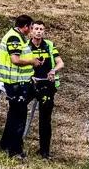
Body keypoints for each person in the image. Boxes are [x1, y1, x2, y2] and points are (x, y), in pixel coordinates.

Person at [0, 15, 41, 158]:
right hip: (15, 83)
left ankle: (5, 143)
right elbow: (15, 60)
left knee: (14, 113)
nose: (32, 30)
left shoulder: (18, 37)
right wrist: (32, 62)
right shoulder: (14, 38)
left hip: (18, 81)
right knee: (20, 115)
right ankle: (15, 150)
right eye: (31, 27)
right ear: (25, 26)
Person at [27, 22, 63, 159]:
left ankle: (44, 151)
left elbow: (60, 62)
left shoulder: (49, 45)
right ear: (31, 31)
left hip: (47, 85)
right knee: (18, 109)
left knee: (45, 118)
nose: (39, 31)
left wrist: (54, 70)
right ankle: (13, 143)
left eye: (41, 29)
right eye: (36, 29)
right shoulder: (26, 46)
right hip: (31, 83)